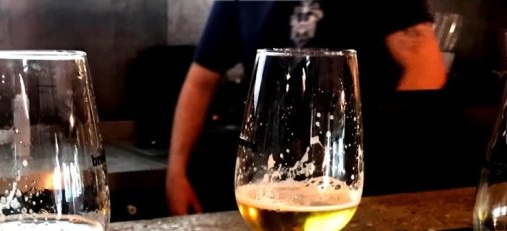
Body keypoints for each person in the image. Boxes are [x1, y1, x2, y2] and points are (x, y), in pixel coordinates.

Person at [166, 0, 448, 215]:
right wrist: (176, 171)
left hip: (355, 184)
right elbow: (200, 82)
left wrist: (394, 173)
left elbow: (425, 65)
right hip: (269, 181)